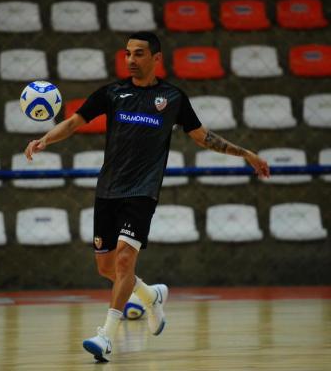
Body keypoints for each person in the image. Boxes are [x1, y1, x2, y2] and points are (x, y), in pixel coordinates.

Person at [24, 31, 270, 363]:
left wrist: (245, 154)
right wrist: (44, 140)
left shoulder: (173, 97)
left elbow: (202, 136)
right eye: (127, 54)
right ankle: (150, 295)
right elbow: (72, 123)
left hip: (142, 191)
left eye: (138, 54)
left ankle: (106, 336)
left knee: (125, 260)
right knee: (106, 267)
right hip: (108, 190)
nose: (130, 60)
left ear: (156, 59)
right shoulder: (112, 93)